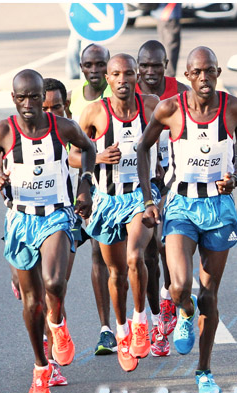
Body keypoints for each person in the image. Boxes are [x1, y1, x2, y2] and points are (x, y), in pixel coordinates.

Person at [0, 69, 96, 393]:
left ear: (43, 97)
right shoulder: (3, 132)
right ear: (14, 99)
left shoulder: (62, 127)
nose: (29, 103)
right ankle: (41, 367)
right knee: (31, 302)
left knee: (54, 284)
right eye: (22, 97)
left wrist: (85, 187)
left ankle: (58, 325)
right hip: (20, 221)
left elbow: (89, 149)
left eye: (35, 97)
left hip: (55, 216)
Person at [137, 46, 237, 393]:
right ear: (187, 76)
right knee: (180, 285)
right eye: (198, 73)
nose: (205, 78)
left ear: (218, 72)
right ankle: (183, 311)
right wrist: (148, 198)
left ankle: (204, 371)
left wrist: (236, 176)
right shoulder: (170, 109)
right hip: (181, 206)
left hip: (218, 208)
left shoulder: (233, 108)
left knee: (210, 295)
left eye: (211, 72)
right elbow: (143, 147)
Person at [73, 53, 161, 372]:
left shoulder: (151, 105)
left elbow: (179, 128)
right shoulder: (94, 112)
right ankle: (120, 331)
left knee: (136, 257)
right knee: (116, 273)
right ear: (107, 80)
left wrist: (164, 164)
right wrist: (97, 157)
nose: (122, 79)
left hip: (139, 195)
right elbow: (72, 156)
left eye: (128, 73)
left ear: (136, 76)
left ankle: (140, 320)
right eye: (116, 75)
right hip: (106, 200)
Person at [136, 40, 189, 357]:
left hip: (176, 177)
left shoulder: (180, 92)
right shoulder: (130, 92)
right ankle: (158, 314)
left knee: (167, 242)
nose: (151, 71)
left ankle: (170, 296)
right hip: (146, 179)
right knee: (149, 253)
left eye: (158, 65)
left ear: (166, 64)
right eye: (146, 65)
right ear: (138, 65)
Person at [67, 43, 117, 356]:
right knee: (97, 254)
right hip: (89, 187)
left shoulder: (121, 91)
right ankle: (106, 329)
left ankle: (150, 313)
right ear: (82, 67)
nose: (95, 71)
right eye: (89, 65)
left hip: (125, 188)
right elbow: (70, 150)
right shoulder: (74, 96)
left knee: (138, 257)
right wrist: (95, 158)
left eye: (101, 65)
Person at [151, 3, 182, 77]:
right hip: (169, 12)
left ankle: (164, 76)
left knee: (165, 46)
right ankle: (168, 77)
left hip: (162, 13)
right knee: (171, 46)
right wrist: (169, 8)